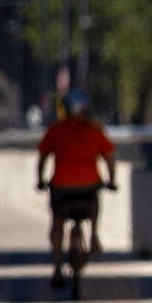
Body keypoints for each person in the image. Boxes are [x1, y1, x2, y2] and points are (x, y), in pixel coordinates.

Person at [36, 90, 117, 288]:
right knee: (95, 201)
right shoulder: (94, 130)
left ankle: (57, 268)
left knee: (57, 222)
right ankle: (94, 235)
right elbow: (109, 157)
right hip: (89, 185)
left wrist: (40, 180)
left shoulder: (55, 130)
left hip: (61, 186)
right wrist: (112, 180)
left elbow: (43, 158)